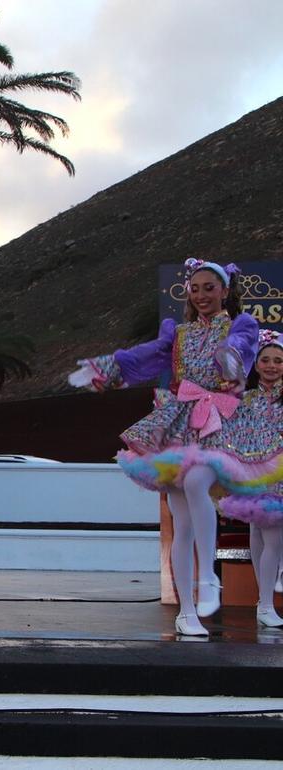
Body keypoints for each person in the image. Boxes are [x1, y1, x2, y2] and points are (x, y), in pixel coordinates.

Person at [68, 258, 261, 637]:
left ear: (225, 291)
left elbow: (241, 347)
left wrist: (231, 357)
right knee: (181, 519)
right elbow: (144, 355)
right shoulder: (179, 334)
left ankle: (208, 577)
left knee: (196, 483)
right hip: (177, 421)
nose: (202, 295)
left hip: (218, 420)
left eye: (210, 287)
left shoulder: (239, 325)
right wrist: (107, 366)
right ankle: (186, 612)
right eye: (195, 288)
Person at [214, 329, 283, 628]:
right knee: (265, 535)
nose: (271, 366)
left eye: (278, 361)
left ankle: (265, 600)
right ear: (256, 365)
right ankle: (265, 603)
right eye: (266, 360)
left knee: (269, 538)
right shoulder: (247, 399)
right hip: (257, 476)